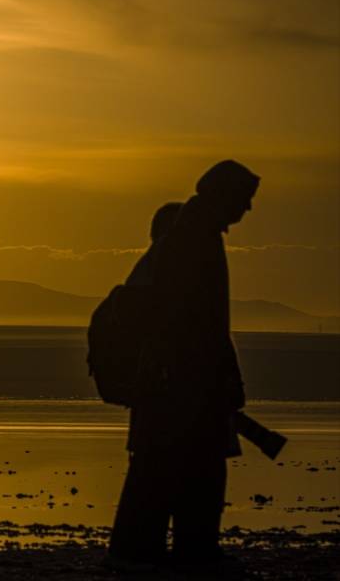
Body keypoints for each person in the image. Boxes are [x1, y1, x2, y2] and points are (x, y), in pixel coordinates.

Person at [107, 160, 259, 572]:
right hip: (183, 380)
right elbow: (189, 318)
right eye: (244, 199)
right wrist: (206, 375)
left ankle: (150, 550)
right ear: (223, 195)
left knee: (172, 467)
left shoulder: (191, 235)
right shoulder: (192, 239)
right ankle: (175, 551)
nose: (247, 210)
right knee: (186, 469)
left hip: (182, 378)